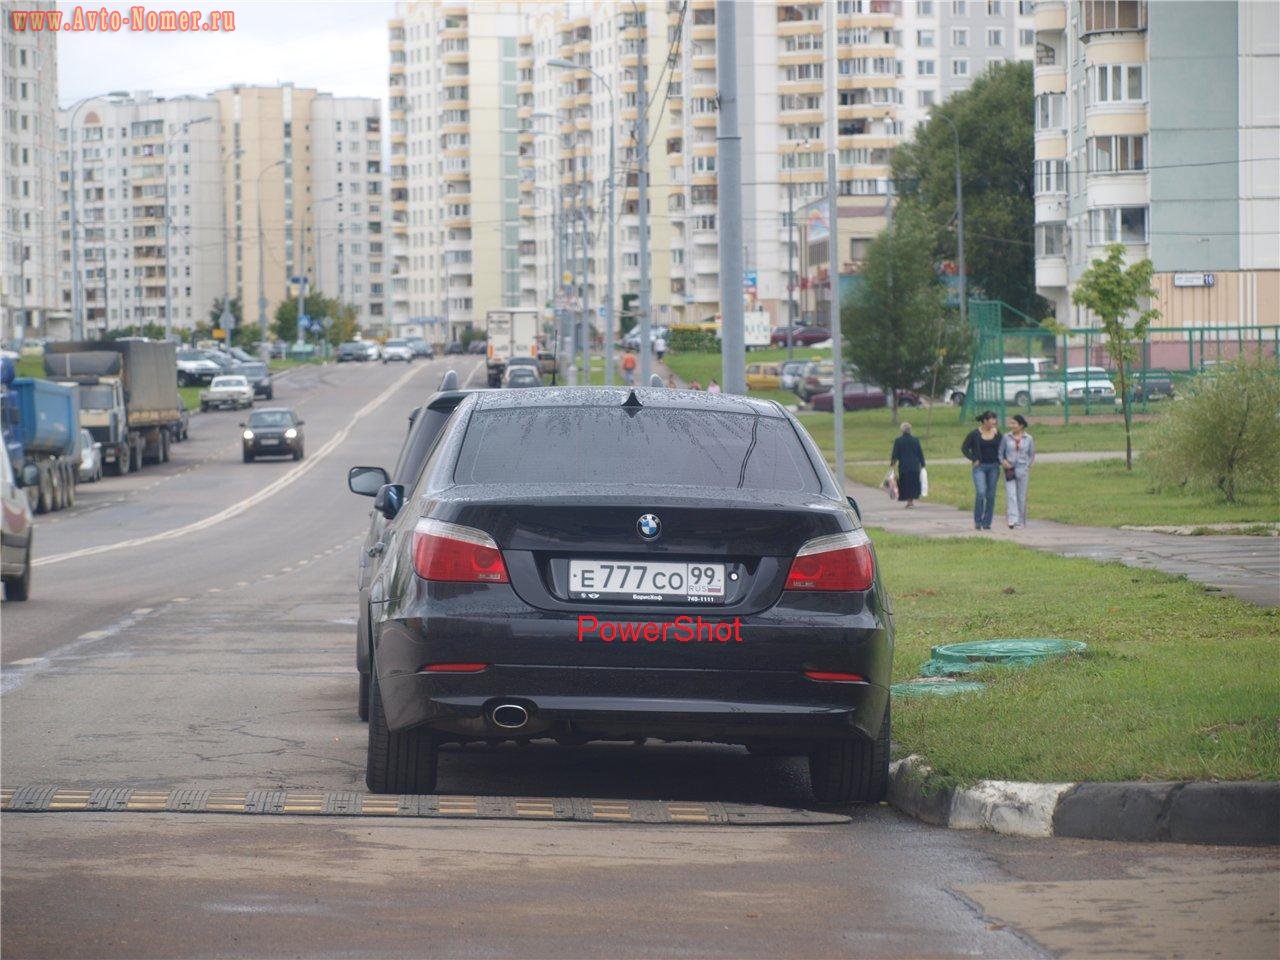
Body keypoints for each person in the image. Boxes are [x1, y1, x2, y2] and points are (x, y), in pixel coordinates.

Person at [961, 410, 1002, 530]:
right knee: (981, 492)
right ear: (985, 421)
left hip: (994, 466)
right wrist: (973, 459)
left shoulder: (997, 433)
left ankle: (987, 522)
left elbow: (1003, 446)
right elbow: (964, 448)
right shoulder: (974, 434)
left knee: (991, 495)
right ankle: (977, 521)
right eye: (992, 419)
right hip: (980, 467)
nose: (994, 422)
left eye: (995, 419)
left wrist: (998, 435)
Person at [999, 414, 1036, 529]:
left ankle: (1021, 521)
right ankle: (1012, 519)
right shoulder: (1006, 437)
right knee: (1011, 495)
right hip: (1009, 469)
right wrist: (1003, 462)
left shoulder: (1028, 438)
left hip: (1022, 470)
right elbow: (1000, 453)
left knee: (1021, 496)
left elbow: (1031, 454)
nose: (1011, 425)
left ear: (1021, 425)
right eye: (1011, 423)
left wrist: (1027, 466)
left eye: (1014, 423)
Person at [890, 421, 926, 508]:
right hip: (915, 466)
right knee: (913, 484)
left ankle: (909, 502)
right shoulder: (915, 440)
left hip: (904, 467)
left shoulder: (898, 441)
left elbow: (895, 454)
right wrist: (923, 463)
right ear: (910, 430)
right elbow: (920, 453)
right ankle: (911, 501)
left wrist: (892, 464)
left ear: (902, 430)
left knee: (905, 484)